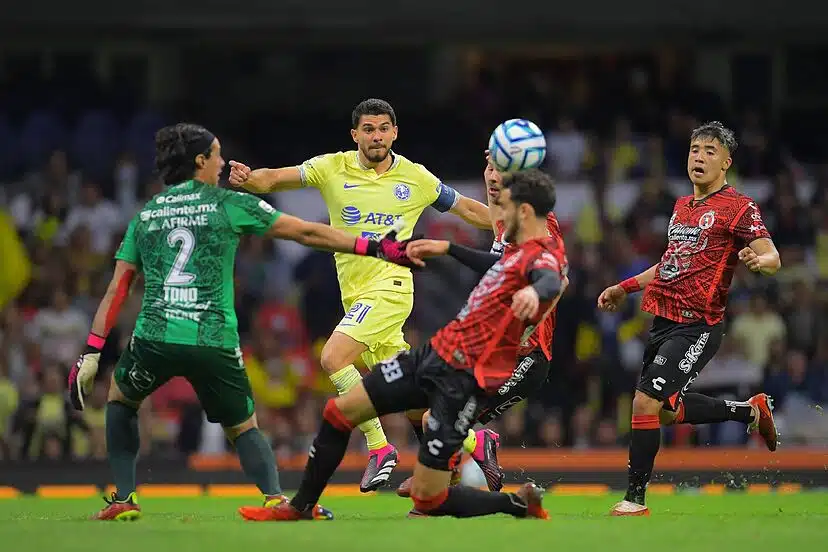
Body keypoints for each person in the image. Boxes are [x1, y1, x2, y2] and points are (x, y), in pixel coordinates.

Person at [67, 123, 416, 521]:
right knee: (244, 427)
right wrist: (371, 246)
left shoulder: (148, 213)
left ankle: (125, 499)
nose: (222, 161)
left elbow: (117, 289)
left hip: (155, 335)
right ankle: (274, 498)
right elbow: (303, 232)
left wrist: (93, 350)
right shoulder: (227, 203)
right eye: (216, 153)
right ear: (200, 161)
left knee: (121, 399)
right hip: (214, 338)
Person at [237, 168, 564, 522]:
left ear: (526, 212)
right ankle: (300, 507)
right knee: (339, 411)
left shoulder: (544, 255)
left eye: (505, 206)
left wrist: (536, 292)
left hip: (466, 376)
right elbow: (499, 264)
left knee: (427, 499)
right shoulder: (514, 252)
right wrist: (449, 248)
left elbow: (549, 279)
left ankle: (515, 503)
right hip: (436, 354)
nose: (495, 215)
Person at [227, 98, 492, 491]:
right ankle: (476, 441)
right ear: (355, 135)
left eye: (384, 128)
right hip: (355, 295)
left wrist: (520, 225)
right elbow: (270, 180)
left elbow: (468, 209)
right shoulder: (330, 168)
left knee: (333, 356)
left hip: (392, 287)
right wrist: (248, 178)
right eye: (368, 129)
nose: (377, 136)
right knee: (409, 397)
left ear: (395, 132)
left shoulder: (415, 177)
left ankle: (378, 447)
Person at [596, 121, 782, 517]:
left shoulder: (738, 206)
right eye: (695, 148)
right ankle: (751, 411)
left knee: (645, 403)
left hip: (699, 325)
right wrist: (624, 287)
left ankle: (635, 500)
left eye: (709, 151)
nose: (699, 156)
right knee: (664, 409)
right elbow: (669, 263)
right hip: (663, 321)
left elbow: (772, 256)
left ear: (726, 162)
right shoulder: (682, 207)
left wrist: (757, 261)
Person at [395, 154, 569, 497]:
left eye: (501, 171)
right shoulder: (504, 224)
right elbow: (479, 219)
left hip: (525, 356)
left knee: (438, 417)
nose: (492, 177)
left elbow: (560, 279)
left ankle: (461, 460)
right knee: (424, 402)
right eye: (489, 168)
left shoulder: (538, 225)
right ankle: (452, 472)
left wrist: (537, 309)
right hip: (490, 351)